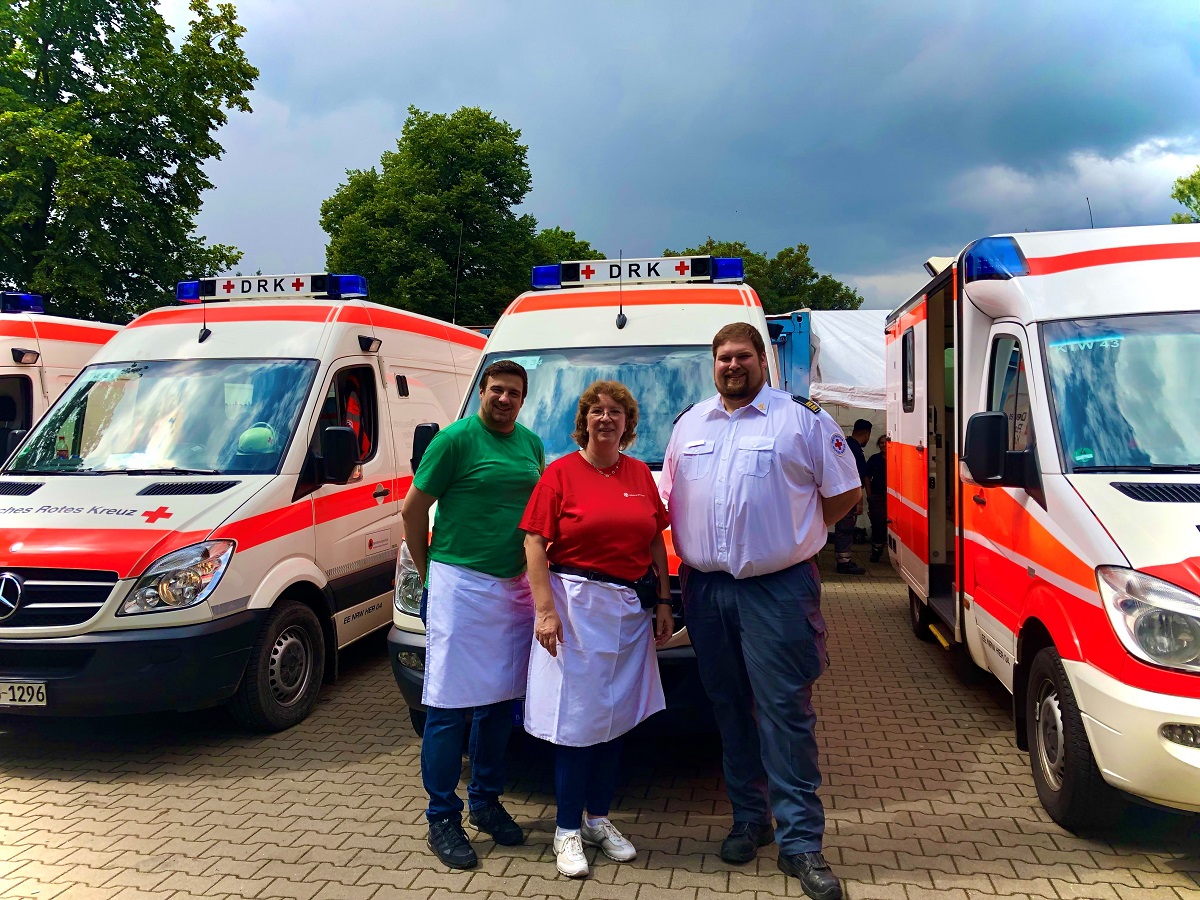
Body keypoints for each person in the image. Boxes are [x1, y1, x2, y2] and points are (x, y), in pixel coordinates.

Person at [661, 322, 860, 900]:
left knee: (784, 712)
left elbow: (845, 490)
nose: (732, 366)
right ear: (712, 363)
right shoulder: (688, 424)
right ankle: (750, 819)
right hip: (706, 589)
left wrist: (801, 535)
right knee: (728, 707)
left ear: (762, 361)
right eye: (723, 357)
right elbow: (672, 498)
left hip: (778, 590)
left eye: (742, 356)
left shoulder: (802, 419)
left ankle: (801, 844)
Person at [520, 380, 674, 879]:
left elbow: (654, 540)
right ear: (584, 420)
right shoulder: (560, 474)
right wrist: (545, 611)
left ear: (628, 423)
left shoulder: (639, 475)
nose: (606, 419)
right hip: (575, 607)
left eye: (616, 412)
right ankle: (566, 830)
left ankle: (598, 820)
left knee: (615, 719)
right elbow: (535, 543)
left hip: (629, 610)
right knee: (575, 723)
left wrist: (665, 600)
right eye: (596, 412)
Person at [401, 360, 546, 870]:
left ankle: (485, 802)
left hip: (513, 590)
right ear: (482, 392)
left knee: (499, 703)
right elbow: (412, 511)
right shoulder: (455, 441)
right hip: (461, 584)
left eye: (514, 393)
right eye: (497, 391)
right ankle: (442, 816)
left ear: (523, 399)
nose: (504, 400)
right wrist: (428, 571)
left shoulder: (531, 445)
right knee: (449, 707)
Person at [832, 419, 872, 575]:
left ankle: (843, 560)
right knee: (846, 529)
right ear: (867, 434)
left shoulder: (844, 446)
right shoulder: (856, 451)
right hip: (849, 497)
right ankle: (844, 563)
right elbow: (857, 479)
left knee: (842, 528)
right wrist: (860, 502)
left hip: (839, 495)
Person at [865, 435, 888, 562]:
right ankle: (876, 551)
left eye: (886, 442)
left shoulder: (898, 458)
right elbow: (867, 477)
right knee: (877, 525)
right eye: (881, 443)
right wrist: (869, 495)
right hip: (877, 497)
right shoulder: (874, 459)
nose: (884, 445)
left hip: (894, 499)